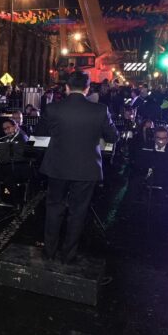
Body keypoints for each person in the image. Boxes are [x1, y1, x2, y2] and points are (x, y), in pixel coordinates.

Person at [36, 72, 117, 262]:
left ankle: (49, 252)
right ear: (88, 89)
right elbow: (113, 137)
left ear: (66, 88)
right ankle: (68, 255)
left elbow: (40, 133)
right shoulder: (100, 110)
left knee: (54, 209)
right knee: (78, 212)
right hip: (86, 168)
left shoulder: (53, 108)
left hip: (57, 166)